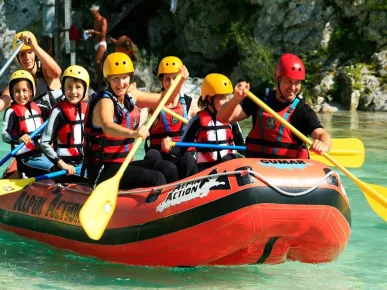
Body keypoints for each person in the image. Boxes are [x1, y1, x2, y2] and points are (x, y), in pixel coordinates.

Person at [83, 52, 180, 189]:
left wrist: (180, 80)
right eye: (115, 78)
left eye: (124, 78)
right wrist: (134, 133)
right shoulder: (104, 101)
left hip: (124, 165)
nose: (121, 83)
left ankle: (174, 204)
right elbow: (107, 126)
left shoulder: (131, 96)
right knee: (156, 178)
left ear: (130, 77)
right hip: (103, 169)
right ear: (108, 80)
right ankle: (157, 208)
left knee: (168, 167)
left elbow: (167, 99)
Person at [217, 53, 332, 158]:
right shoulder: (259, 99)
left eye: (297, 83)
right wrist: (236, 99)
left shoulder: (301, 110)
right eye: (288, 81)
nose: (293, 88)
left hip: (289, 172)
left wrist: (323, 145)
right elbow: (222, 118)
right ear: (277, 78)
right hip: (257, 169)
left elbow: (321, 133)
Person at [161, 73, 245, 172]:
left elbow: (242, 148)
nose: (227, 102)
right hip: (206, 170)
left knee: (231, 158)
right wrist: (169, 147)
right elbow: (181, 150)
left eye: (228, 98)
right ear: (210, 99)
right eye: (223, 98)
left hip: (228, 166)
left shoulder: (231, 120)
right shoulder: (197, 121)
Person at [144, 56, 199, 179]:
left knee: (189, 160)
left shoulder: (190, 103)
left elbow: (206, 124)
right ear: (161, 81)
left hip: (182, 154)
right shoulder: (153, 103)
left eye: (175, 78)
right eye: (167, 79)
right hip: (159, 155)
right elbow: (140, 117)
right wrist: (139, 129)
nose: (171, 83)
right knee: (157, 159)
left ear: (181, 80)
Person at [40, 65, 89, 183]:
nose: (73, 92)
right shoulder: (58, 112)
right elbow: (44, 143)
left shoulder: (87, 109)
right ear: (63, 88)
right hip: (64, 168)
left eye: (78, 87)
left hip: (83, 165)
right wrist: (62, 164)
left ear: (85, 89)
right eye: (69, 87)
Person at [2, 70, 54, 178]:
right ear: (12, 93)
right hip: (26, 160)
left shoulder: (39, 108)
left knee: (63, 163)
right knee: (53, 168)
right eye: (17, 91)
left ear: (31, 92)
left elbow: (56, 113)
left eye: (24, 90)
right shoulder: (11, 112)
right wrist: (19, 139)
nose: (21, 95)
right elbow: (5, 135)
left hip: (42, 154)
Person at [0, 31, 63, 118]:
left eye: (30, 52)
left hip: (61, 123)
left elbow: (56, 73)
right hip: (43, 129)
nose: (27, 58)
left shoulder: (45, 69)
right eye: (22, 54)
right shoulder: (19, 80)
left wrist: (34, 46)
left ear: (35, 53)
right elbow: (5, 99)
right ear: (17, 58)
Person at [86, 4, 107, 90]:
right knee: (100, 63)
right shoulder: (95, 21)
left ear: (96, 11)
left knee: (97, 61)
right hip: (96, 44)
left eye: (93, 13)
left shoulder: (103, 20)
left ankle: (100, 85)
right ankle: (104, 81)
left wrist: (93, 31)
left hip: (102, 43)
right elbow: (96, 34)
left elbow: (103, 34)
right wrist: (90, 35)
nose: (92, 15)